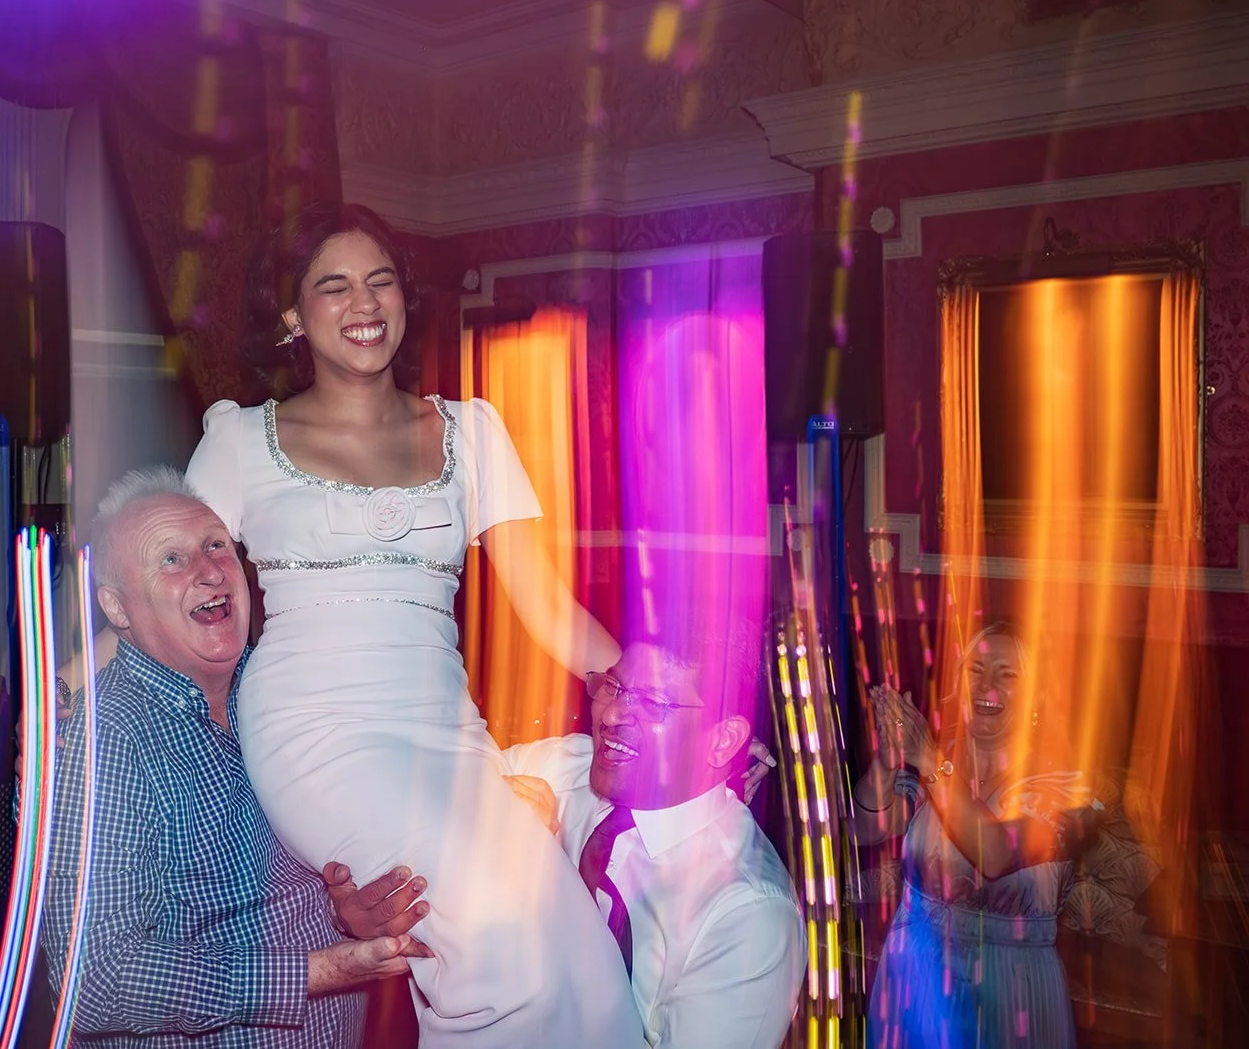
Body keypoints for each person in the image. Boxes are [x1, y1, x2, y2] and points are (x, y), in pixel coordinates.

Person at [183, 202, 642, 1046]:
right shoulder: (240, 441)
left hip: (445, 730)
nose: (365, 303)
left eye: (381, 280)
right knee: (504, 963)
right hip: (316, 730)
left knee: (586, 968)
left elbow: (543, 603)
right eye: (334, 286)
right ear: (292, 316)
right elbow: (168, 587)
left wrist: (650, 691)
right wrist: (70, 684)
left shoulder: (473, 431)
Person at [37, 469, 434, 1047]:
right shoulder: (107, 745)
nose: (207, 570)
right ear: (117, 609)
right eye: (170, 560)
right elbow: (96, 980)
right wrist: (317, 971)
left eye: (215, 545)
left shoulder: (292, 686)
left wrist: (348, 912)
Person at [503, 628, 804, 1049]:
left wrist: (540, 869)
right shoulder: (563, 769)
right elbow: (434, 787)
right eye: (613, 686)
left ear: (722, 741)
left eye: (653, 704)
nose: (610, 717)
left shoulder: (746, 914)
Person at [855, 619, 1103, 1048]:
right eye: (975, 670)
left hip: (1013, 993)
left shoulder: (1068, 786)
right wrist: (885, 760)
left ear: (1038, 696)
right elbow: (863, 830)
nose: (986, 686)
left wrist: (930, 762)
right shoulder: (938, 765)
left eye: (1008, 676)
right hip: (915, 979)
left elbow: (996, 855)